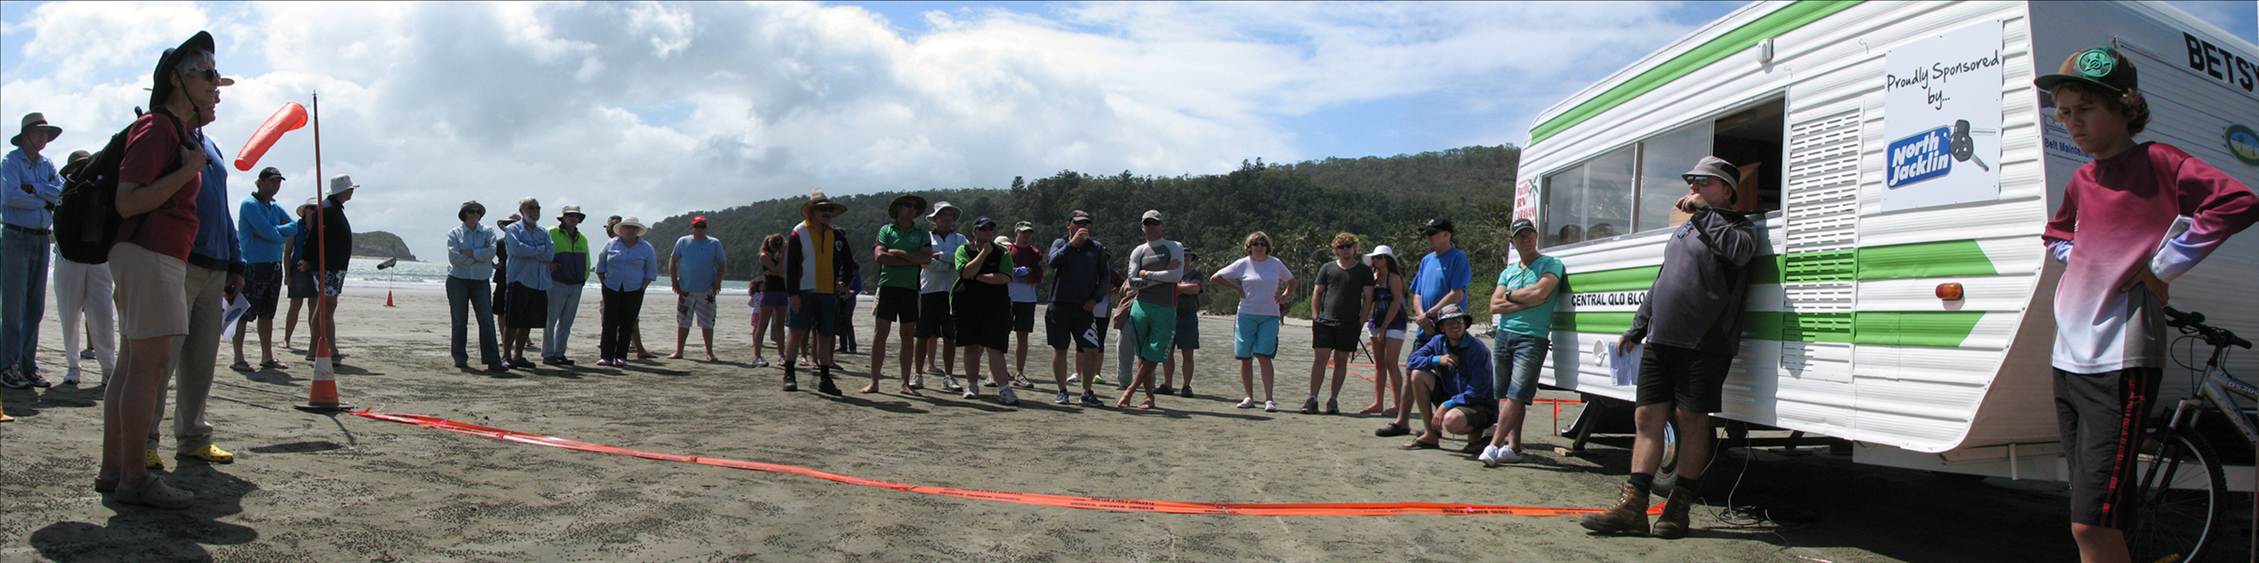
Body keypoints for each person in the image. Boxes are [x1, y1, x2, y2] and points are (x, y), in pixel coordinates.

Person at [2036, 46, 2258, 561]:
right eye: (2064, 112)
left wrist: (2161, 266)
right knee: (2100, 514)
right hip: (2066, 357)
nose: (2072, 123)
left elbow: (2238, 202)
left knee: (2089, 526)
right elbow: (2054, 234)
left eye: (2084, 110)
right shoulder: (2082, 179)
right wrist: (2084, 255)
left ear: (2125, 107)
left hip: (2120, 360)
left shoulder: (2159, 162)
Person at [1580, 155, 1757, 539]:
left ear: (1726, 191)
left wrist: (1704, 214)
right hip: (1661, 340)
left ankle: (1678, 508)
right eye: (1691, 182)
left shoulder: (1741, 228)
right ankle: (1633, 506)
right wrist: (1638, 327)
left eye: (1703, 183)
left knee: (1692, 421)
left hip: (1705, 344)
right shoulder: (1684, 230)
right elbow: (1662, 283)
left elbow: (1739, 253)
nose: (1693, 188)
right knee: (1646, 419)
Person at [102, 31, 228, 509]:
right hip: (150, 254)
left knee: (134, 369)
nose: (217, 85)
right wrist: (188, 169)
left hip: (152, 256)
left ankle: (115, 469)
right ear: (178, 80)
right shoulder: (158, 129)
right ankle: (134, 477)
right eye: (209, 75)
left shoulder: (176, 132)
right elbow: (128, 199)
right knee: (147, 372)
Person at [146, 117, 247, 469]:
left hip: (215, 265)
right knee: (161, 359)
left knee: (201, 361)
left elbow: (222, 207)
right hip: (178, 258)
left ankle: (193, 437)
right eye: (209, 80)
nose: (216, 93)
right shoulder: (162, 133)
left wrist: (236, 260)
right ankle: (145, 441)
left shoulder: (212, 145)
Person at [1479, 219, 1564, 466]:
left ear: (1536, 237)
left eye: (1530, 235)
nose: (1526, 240)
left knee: (1518, 394)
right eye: (1520, 236)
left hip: (1532, 337)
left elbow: (1540, 294)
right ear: (1513, 241)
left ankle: (1494, 445)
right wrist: (1522, 299)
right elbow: (1494, 305)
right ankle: (1514, 447)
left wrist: (1509, 297)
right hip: (1504, 335)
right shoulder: (1509, 271)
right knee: (1506, 394)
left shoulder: (1551, 264)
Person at [1, 112, 65, 390]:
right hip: (16, 236)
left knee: (35, 308)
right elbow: (11, 196)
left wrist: (35, 190)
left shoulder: (46, 164)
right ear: (26, 135)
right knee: (14, 308)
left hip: (41, 238)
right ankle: (7, 366)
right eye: (39, 133)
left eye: (46, 134)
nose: (43, 139)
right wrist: (43, 200)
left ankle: (28, 365)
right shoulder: (10, 162)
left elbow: (61, 193)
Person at [1387, 305, 1495, 452]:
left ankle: (1484, 434)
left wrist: (1447, 405)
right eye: (1450, 323)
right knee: (1418, 374)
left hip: (1478, 404)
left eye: (1459, 322)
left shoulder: (1478, 350)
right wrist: (1437, 359)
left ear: (1465, 324)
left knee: (1452, 421)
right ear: (1442, 328)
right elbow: (1411, 361)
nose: (1455, 326)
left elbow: (1477, 392)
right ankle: (1430, 434)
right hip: (1453, 397)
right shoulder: (1438, 341)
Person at [1210, 231, 1294, 412]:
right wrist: (1237, 288)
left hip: (1270, 315)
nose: (1259, 246)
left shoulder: (1275, 264)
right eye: (1255, 243)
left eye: (1263, 243)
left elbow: (1291, 281)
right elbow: (1216, 277)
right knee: (1245, 357)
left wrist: (1285, 296)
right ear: (1249, 247)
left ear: (1267, 247)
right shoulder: (1242, 264)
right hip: (1246, 314)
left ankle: (1269, 399)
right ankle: (1249, 397)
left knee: (1264, 356)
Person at [782, 191, 854, 395]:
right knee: (796, 333)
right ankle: (789, 374)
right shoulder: (798, 232)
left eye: (830, 209)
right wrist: (792, 294)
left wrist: (844, 283)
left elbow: (849, 263)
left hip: (828, 293)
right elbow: (791, 267)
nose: (827, 212)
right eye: (822, 209)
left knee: (825, 336)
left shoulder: (836, 234)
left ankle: (825, 379)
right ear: (812, 211)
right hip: (803, 292)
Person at [52, 150, 114, 386]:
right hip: (71, 260)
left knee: (102, 315)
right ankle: (73, 366)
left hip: (97, 260)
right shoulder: (66, 192)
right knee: (70, 315)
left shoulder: (102, 189)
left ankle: (108, 369)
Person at [1114, 210, 1184, 409]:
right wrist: (1158, 275)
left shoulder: (1174, 247)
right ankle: (1148, 397)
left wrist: (1147, 274)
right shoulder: (1139, 251)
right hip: (1141, 306)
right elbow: (1132, 282)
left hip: (1165, 307)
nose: (1151, 227)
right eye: (1147, 223)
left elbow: (1176, 276)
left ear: (1162, 225)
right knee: (1142, 354)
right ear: (1142, 226)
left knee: (1154, 353)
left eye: (1155, 223)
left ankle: (1130, 391)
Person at [231, 167, 297, 373]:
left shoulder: (274, 207)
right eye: (272, 181)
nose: (276, 186)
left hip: (273, 266)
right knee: (242, 312)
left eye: (278, 182)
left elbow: (294, 226)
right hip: (252, 265)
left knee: (267, 313)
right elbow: (269, 233)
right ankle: (238, 357)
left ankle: (267, 356)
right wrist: (276, 233)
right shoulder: (249, 205)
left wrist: (276, 233)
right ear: (260, 182)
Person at [1045, 210, 1110, 407]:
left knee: (1091, 349)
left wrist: (1095, 299)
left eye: (1087, 223)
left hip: (1084, 308)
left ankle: (1087, 392)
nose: (1083, 226)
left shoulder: (1096, 248)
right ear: (1068, 224)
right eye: (1078, 222)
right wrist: (1072, 244)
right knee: (1061, 349)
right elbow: (1052, 262)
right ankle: (1062, 390)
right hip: (1059, 305)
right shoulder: (1060, 243)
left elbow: (1105, 277)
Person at [1303, 232, 1373, 415]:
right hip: (1325, 322)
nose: (1345, 249)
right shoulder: (1327, 268)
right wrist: (1315, 316)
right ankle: (1312, 398)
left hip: (1349, 323)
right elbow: (1317, 293)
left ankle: (1333, 399)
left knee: (1341, 361)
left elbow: (1368, 298)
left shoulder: (1364, 271)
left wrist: (1361, 321)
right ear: (1336, 249)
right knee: (1320, 360)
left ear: (1355, 248)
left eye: (1349, 245)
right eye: (1341, 247)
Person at [950, 221, 1020, 404]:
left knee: (995, 347)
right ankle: (972, 386)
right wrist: (983, 254)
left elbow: (1004, 277)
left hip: (996, 306)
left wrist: (978, 276)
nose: (987, 232)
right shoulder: (962, 250)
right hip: (967, 305)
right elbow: (964, 273)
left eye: (990, 229)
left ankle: (1004, 389)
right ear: (974, 231)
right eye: (983, 229)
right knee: (971, 346)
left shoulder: (1003, 252)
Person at [868, 195, 930, 394]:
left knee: (907, 336)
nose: (912, 209)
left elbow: (926, 258)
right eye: (907, 205)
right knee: (880, 335)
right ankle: (874, 382)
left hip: (910, 289)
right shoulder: (886, 230)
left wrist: (899, 254)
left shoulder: (921, 233)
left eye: (914, 207)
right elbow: (880, 256)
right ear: (898, 209)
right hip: (887, 286)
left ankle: (905, 383)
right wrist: (912, 260)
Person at [302, 175, 356, 366]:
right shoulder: (326, 209)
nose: (352, 191)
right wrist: (307, 258)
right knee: (327, 305)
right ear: (343, 190)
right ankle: (326, 348)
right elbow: (315, 237)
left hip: (334, 265)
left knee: (326, 305)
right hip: (328, 266)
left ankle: (319, 348)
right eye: (350, 188)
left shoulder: (332, 208)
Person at [445, 201, 505, 372]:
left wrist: (471, 253)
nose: (474, 214)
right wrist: (480, 255)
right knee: (459, 321)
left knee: (486, 319)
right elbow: (454, 258)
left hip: (481, 280)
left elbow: (491, 252)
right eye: (470, 211)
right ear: (464, 214)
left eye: (477, 211)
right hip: (457, 279)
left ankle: (493, 359)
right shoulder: (454, 233)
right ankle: (460, 357)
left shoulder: (488, 231)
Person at [595, 217, 658, 367]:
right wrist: (605, 283)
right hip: (611, 287)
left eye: (633, 228)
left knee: (627, 323)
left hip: (634, 289)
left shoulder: (646, 247)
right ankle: (607, 356)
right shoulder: (611, 244)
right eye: (627, 228)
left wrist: (642, 287)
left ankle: (621, 356)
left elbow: (650, 271)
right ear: (621, 230)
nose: (630, 231)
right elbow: (601, 266)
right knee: (609, 322)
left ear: (638, 231)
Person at [917, 201, 967, 389]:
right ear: (935, 219)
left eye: (950, 214)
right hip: (929, 290)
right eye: (943, 214)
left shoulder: (961, 239)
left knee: (949, 336)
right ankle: (918, 373)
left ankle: (949, 375)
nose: (947, 217)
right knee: (922, 335)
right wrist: (948, 262)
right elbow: (924, 260)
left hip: (952, 293)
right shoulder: (925, 237)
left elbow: (963, 259)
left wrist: (940, 256)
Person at [499, 197, 552, 369]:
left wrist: (532, 250)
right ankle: (506, 355)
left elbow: (550, 255)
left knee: (528, 322)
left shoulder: (543, 232)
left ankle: (518, 356)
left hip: (538, 282)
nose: (535, 211)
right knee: (513, 321)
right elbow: (516, 249)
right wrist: (538, 250)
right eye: (531, 208)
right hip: (519, 281)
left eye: (537, 208)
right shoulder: (512, 229)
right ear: (522, 210)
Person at [1360, 245, 1409, 416]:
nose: (1376, 260)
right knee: (1379, 364)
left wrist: (1384, 327)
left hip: (1395, 322)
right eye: (1374, 258)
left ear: (1387, 259)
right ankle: (1378, 402)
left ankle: (1398, 405)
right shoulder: (1375, 277)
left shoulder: (1394, 277)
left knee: (1391, 363)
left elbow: (1396, 303)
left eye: (1379, 257)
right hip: (1376, 321)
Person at [1408, 217, 1470, 349]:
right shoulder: (1426, 260)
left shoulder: (1458, 258)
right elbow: (1417, 294)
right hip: (1424, 329)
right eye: (1427, 234)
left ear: (1446, 234)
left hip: (1447, 331)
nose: (1428, 237)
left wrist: (1429, 314)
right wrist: (1422, 318)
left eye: (1432, 233)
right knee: (1414, 368)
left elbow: (1456, 294)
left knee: (1446, 368)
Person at [669, 215, 725, 362]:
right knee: (683, 321)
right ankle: (679, 351)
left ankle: (709, 352)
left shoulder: (714, 243)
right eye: (696, 227)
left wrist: (718, 282)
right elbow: (673, 261)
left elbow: (722, 263)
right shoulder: (682, 241)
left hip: (706, 290)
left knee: (707, 322)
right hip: (686, 289)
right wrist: (674, 282)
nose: (699, 230)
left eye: (702, 227)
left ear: (706, 228)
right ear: (692, 228)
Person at [542, 205, 590, 366]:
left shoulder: (582, 238)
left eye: (576, 216)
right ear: (562, 217)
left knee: (566, 322)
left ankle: (559, 353)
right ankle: (548, 354)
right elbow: (542, 252)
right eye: (570, 215)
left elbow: (587, 260)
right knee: (550, 319)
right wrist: (546, 266)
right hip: (556, 283)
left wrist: (583, 279)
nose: (573, 218)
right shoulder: (551, 232)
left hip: (576, 285)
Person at [1159, 248, 1202, 397]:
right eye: (1183, 255)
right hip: (1168, 315)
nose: (1185, 258)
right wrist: (1183, 288)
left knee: (1187, 353)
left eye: (1188, 256)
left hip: (1188, 316)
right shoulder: (1169, 273)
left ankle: (1186, 386)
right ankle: (1168, 384)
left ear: (1192, 259)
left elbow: (1195, 289)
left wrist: (1174, 287)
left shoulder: (1195, 274)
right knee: (1167, 353)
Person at [1007, 221, 1044, 387]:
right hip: (1007, 298)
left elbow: (1037, 275)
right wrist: (1021, 271)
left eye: (1029, 233)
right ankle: (995, 372)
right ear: (1016, 233)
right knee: (1001, 334)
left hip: (1027, 300)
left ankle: (1019, 373)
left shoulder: (1035, 252)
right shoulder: (1007, 251)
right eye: (1023, 233)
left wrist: (1023, 272)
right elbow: (1006, 272)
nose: (1026, 236)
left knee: (1023, 337)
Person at [281, 198, 317, 350]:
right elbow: (287, 252)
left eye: (316, 208)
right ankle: (286, 339)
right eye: (312, 208)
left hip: (314, 269)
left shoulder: (320, 228)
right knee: (295, 305)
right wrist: (287, 274)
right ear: (305, 211)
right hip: (298, 270)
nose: (314, 211)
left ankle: (314, 341)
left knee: (314, 307)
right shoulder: (295, 227)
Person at [753, 233, 788, 369]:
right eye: (774, 244)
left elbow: (780, 271)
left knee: (780, 324)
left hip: (781, 290)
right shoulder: (764, 256)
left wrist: (780, 262)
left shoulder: (779, 256)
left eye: (779, 244)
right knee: (762, 324)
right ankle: (757, 355)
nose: (776, 247)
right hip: (769, 291)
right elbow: (778, 270)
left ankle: (781, 355)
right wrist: (783, 254)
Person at [492, 213, 517, 360]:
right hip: (502, 279)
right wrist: (495, 265)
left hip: (518, 280)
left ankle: (521, 339)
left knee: (517, 313)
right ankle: (504, 338)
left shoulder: (525, 241)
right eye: (508, 225)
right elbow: (486, 255)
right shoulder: (500, 243)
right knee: (501, 311)